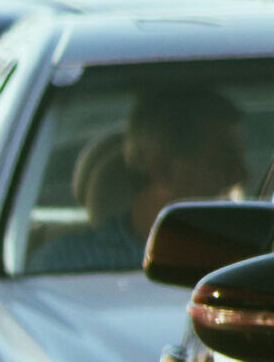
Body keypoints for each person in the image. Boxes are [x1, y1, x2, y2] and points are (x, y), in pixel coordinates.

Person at [30, 88, 246, 273]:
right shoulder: (64, 266)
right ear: (163, 170)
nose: (242, 176)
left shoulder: (245, 262)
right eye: (223, 163)